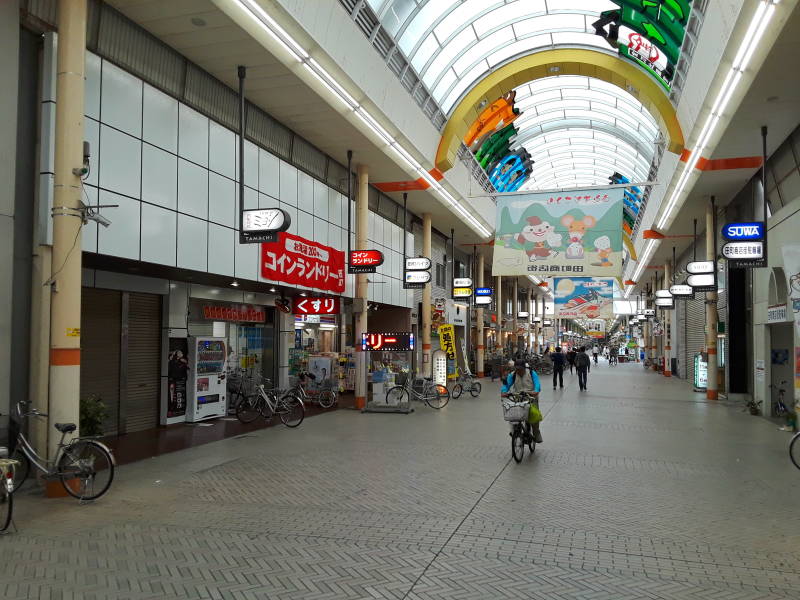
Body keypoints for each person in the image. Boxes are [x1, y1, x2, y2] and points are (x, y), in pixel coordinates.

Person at [501, 359, 543, 443]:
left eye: (520, 369)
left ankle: (536, 433)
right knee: (514, 416)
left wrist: (536, 391)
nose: (518, 371)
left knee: (534, 416)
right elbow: (506, 385)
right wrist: (504, 391)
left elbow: (537, 384)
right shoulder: (512, 375)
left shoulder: (531, 373)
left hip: (531, 397)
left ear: (524, 368)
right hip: (518, 397)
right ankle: (515, 431)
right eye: (517, 369)